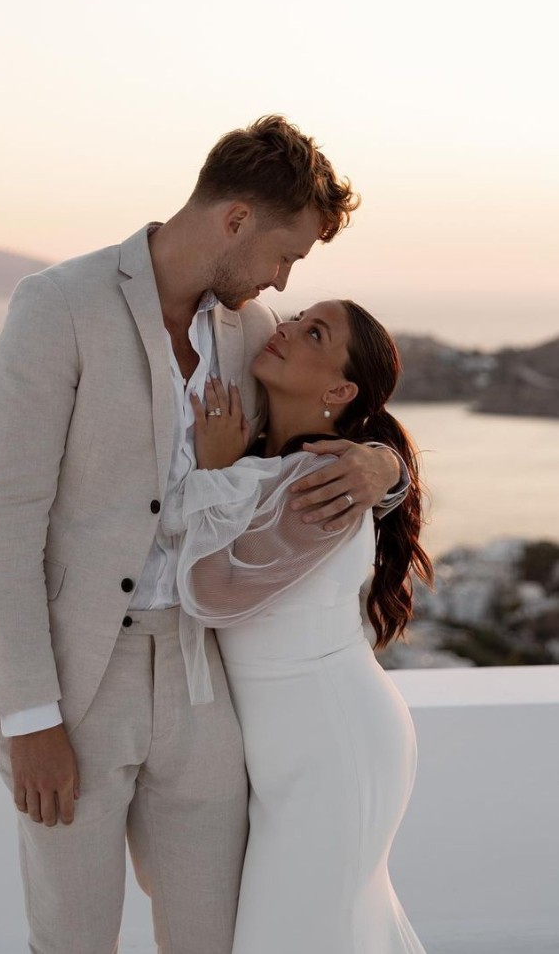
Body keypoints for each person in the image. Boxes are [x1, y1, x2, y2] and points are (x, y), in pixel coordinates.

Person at [0, 115, 411, 954]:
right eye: (286, 255)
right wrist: (29, 716)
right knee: (75, 938)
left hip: (202, 685)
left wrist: (384, 467)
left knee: (215, 939)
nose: (282, 279)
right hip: (77, 682)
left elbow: (322, 427)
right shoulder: (59, 305)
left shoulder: (245, 328)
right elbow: (1, 518)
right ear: (235, 221)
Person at [172, 298, 434, 954]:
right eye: (294, 317)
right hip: (292, 749)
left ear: (341, 389)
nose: (285, 329)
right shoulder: (289, 465)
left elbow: (212, 592)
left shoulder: (328, 476)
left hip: (334, 742)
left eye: (313, 332)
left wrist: (214, 474)